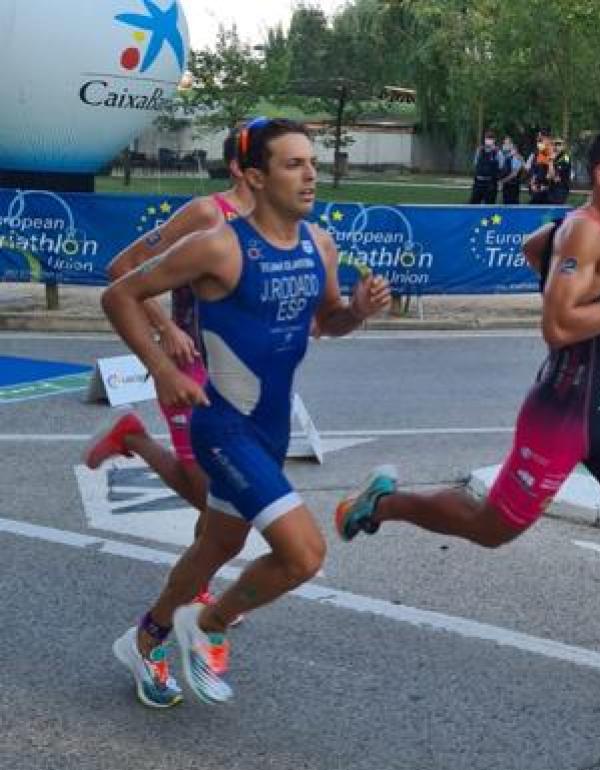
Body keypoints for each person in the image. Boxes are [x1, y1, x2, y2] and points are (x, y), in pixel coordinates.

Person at [333, 126, 600, 737]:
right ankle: (382, 504)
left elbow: (535, 249)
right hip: (560, 418)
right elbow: (558, 327)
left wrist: (576, 262)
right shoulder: (589, 231)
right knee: (493, 530)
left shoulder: (583, 227)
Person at [102, 118, 391, 708]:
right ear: (255, 177)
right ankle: (206, 626)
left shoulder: (320, 245)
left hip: (271, 429)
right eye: (292, 164)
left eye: (312, 162)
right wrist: (163, 369)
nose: (310, 174)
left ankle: (147, 639)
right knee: (304, 554)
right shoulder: (219, 245)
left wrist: (356, 311)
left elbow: (329, 322)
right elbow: (120, 292)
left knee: (216, 547)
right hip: (223, 427)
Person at [85, 125, 254, 614]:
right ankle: (133, 438)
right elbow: (123, 268)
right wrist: (164, 327)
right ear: (245, 170)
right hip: (189, 368)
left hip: (237, 380)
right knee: (214, 500)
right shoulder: (207, 213)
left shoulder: (269, 227)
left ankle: (195, 585)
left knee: (223, 496)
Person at [469, 131, 503, 205]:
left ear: (494, 140)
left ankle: (491, 217)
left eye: (490, 139)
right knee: (473, 204)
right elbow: (475, 164)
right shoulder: (480, 150)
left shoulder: (498, 152)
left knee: (490, 206)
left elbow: (501, 167)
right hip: (478, 182)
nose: (488, 141)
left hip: (490, 183)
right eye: (487, 138)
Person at [499, 136, 524, 205]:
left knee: (513, 205)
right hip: (506, 186)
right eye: (504, 143)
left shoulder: (516, 156)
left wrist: (502, 181)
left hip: (513, 186)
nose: (505, 145)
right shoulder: (504, 156)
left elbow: (514, 174)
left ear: (511, 145)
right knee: (505, 204)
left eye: (507, 144)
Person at [549, 138, 572, 204]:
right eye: (555, 144)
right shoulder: (554, 157)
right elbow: (549, 175)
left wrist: (551, 161)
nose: (556, 147)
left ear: (563, 146)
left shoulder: (566, 158)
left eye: (559, 144)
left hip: (561, 189)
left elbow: (555, 177)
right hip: (551, 189)